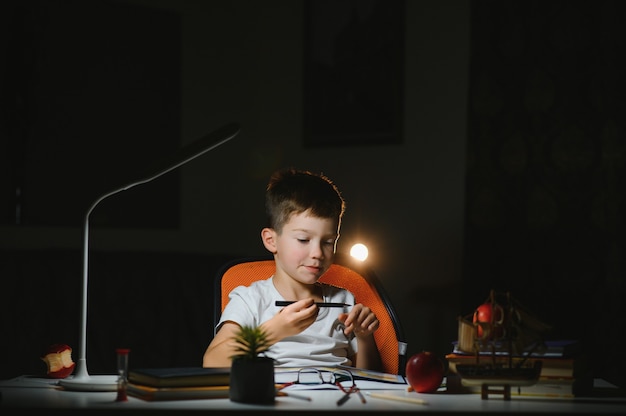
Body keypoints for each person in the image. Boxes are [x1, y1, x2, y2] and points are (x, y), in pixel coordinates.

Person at [203, 167, 383, 371]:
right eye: (303, 239)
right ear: (271, 240)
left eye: (328, 241)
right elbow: (212, 362)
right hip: (276, 399)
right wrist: (273, 332)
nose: (317, 253)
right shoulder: (250, 299)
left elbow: (370, 379)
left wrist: (364, 337)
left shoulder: (343, 301)